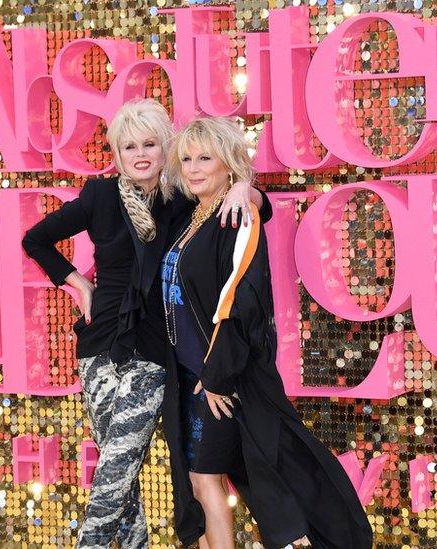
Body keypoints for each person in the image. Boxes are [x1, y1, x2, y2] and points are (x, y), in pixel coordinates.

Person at [21, 99, 268, 549]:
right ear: (117, 152)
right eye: (129, 145)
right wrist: (78, 284)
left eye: (150, 144)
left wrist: (245, 186)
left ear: (165, 147)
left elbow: (251, 205)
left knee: (116, 467)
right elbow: (34, 239)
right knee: (125, 479)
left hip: (151, 353)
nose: (140, 154)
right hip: (97, 349)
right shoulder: (99, 197)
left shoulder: (180, 199)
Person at [158, 116, 373, 548]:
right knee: (203, 485)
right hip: (188, 379)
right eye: (186, 159)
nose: (195, 168)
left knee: (207, 480)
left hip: (219, 382)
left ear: (228, 165)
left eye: (206, 158)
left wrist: (217, 376)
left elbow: (240, 302)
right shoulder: (192, 215)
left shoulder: (233, 216)